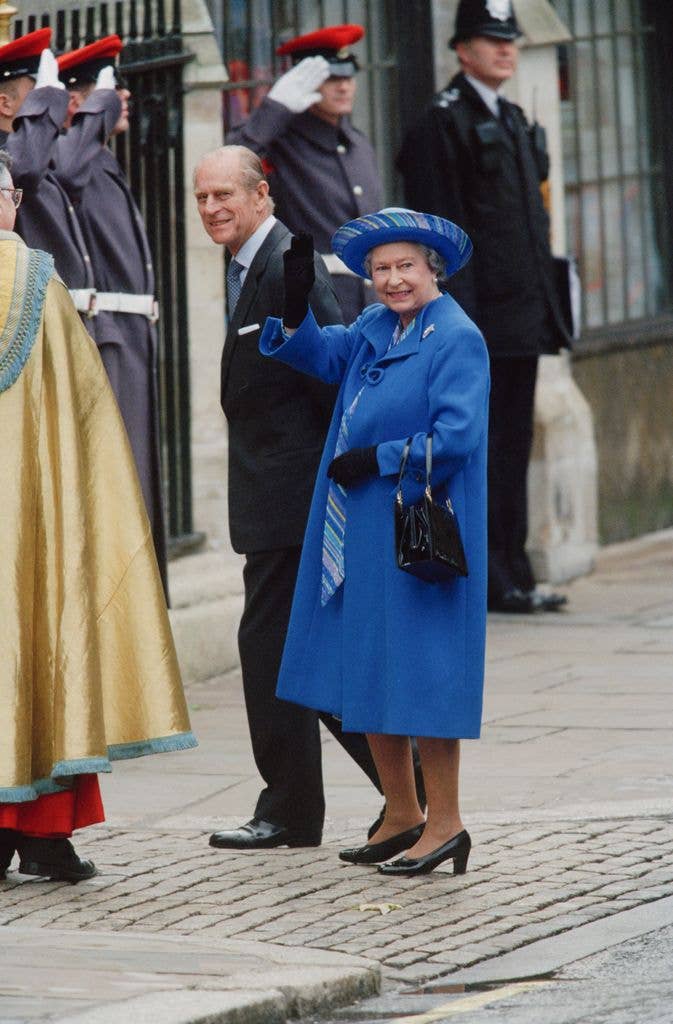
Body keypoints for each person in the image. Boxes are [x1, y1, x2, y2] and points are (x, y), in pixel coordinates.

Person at [258, 207, 490, 877]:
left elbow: (457, 438)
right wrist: (293, 300)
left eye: (405, 268)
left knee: (422, 676)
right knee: (367, 668)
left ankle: (444, 822)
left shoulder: (456, 336)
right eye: (380, 270)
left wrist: (379, 458)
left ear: (432, 270)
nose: (392, 280)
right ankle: (400, 813)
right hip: (361, 528)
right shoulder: (374, 325)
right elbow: (324, 357)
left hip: (420, 533)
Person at [0, 151, 196, 884]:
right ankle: (45, 833)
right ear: (11, 203)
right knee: (45, 647)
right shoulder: (42, 285)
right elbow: (86, 413)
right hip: (34, 518)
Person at [192, 145, 382, 850]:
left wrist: (323, 496)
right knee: (295, 651)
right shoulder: (250, 262)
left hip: (294, 495)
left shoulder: (286, 264)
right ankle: (383, 792)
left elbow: (326, 379)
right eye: (202, 198)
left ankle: (311, 805)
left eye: (224, 196)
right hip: (273, 492)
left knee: (279, 649)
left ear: (261, 195)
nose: (212, 208)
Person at [396, 0, 570, 614]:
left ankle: (514, 569)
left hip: (521, 316)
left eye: (509, 40)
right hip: (479, 323)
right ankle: (488, 574)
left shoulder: (516, 118)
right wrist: (453, 326)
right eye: (489, 39)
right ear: (461, 49)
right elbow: (444, 239)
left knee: (514, 440)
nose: (505, 49)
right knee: (479, 445)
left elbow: (531, 226)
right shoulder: (440, 125)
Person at [53, 36, 168, 595]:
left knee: (139, 481)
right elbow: (63, 167)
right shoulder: (69, 153)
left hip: (130, 333)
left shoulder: (100, 157)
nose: (120, 96)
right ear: (74, 101)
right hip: (107, 336)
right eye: (105, 87)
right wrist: (93, 110)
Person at [227, 23, 381, 324]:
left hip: (370, 311)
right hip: (311, 309)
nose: (344, 86)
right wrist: (273, 110)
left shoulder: (358, 143)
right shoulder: (278, 141)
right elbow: (229, 166)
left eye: (349, 76)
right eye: (331, 78)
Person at [0, 28, 96, 317]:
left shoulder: (36, 151)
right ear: (5, 103)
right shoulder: (21, 156)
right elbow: (23, 169)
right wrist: (49, 103)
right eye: (38, 93)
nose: (52, 103)